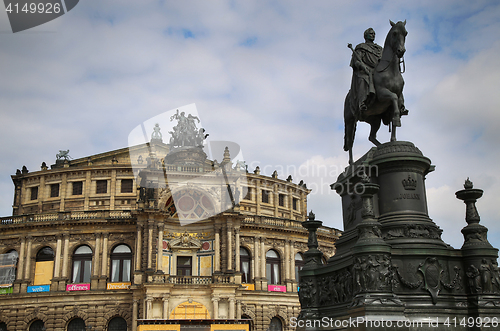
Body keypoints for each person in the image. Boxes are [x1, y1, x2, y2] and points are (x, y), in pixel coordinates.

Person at [350, 28, 383, 115]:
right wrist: (363, 66)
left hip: (378, 71)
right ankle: (362, 102)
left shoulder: (379, 49)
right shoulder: (361, 47)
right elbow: (356, 61)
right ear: (366, 36)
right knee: (363, 79)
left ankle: (400, 105)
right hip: (365, 71)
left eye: (374, 34)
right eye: (371, 34)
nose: (373, 35)